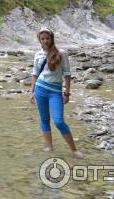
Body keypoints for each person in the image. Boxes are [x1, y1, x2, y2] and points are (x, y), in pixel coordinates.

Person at [29, 27, 83, 158]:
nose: (45, 41)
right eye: (42, 39)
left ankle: (74, 150)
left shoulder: (62, 53)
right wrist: (31, 92)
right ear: (39, 41)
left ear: (52, 39)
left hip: (55, 92)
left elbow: (67, 74)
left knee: (58, 121)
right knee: (44, 119)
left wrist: (67, 93)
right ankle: (49, 146)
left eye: (47, 38)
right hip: (40, 89)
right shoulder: (38, 54)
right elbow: (35, 73)